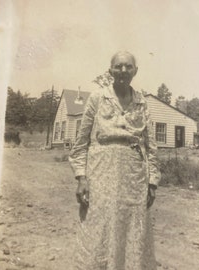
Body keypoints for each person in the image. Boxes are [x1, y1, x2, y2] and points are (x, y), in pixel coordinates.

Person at [69, 51, 161, 270]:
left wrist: (152, 182)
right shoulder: (97, 98)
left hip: (134, 177)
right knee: (99, 227)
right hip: (101, 172)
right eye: (118, 66)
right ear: (110, 70)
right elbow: (81, 143)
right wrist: (81, 178)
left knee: (132, 229)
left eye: (128, 67)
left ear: (135, 71)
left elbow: (151, 145)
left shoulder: (142, 102)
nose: (123, 71)